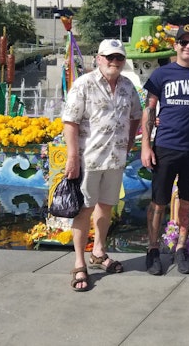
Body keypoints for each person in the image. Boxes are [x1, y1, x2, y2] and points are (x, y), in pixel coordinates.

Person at [63, 39, 142, 291]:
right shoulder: (84, 84)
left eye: (118, 58)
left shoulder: (127, 86)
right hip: (89, 159)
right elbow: (70, 122)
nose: (114, 62)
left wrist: (129, 142)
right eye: (109, 57)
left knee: (106, 207)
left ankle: (99, 252)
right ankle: (79, 262)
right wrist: (72, 157)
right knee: (83, 210)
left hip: (115, 160)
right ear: (98, 58)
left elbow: (136, 116)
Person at [141, 24, 189, 276]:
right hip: (165, 147)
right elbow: (149, 109)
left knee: (186, 203)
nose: (188, 47)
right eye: (184, 42)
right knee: (158, 202)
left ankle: (180, 247)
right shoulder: (162, 74)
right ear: (176, 45)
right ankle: (152, 248)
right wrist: (146, 146)